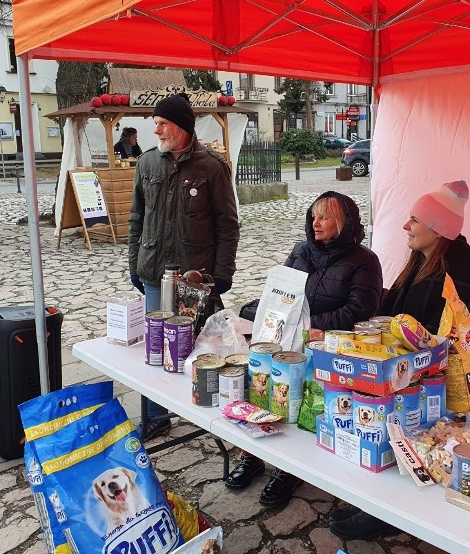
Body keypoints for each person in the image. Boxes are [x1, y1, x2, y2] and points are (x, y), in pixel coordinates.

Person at [330, 180, 470, 540]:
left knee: (390, 409)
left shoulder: (456, 277)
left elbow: (450, 350)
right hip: (429, 378)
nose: (406, 226)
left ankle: (388, 510)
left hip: (457, 395)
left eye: (414, 219)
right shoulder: (428, 263)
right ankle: (375, 494)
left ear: (438, 229)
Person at [225, 191, 383, 508]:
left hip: (327, 349)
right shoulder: (301, 251)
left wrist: (306, 325)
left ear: (343, 222)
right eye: (313, 215)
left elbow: (359, 312)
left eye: (324, 216)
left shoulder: (365, 261)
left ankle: (289, 469)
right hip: (288, 340)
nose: (316, 221)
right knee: (260, 389)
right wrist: (261, 310)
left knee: (297, 404)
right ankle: (253, 453)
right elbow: (280, 292)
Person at [128, 93, 239, 441]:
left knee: (197, 347)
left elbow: (227, 224)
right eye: (156, 124)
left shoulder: (211, 167)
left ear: (181, 127)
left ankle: (200, 410)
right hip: (153, 272)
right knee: (155, 346)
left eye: (162, 123)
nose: (156, 130)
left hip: (196, 277)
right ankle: (155, 416)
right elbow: (137, 218)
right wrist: (135, 263)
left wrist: (223, 273)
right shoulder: (146, 164)